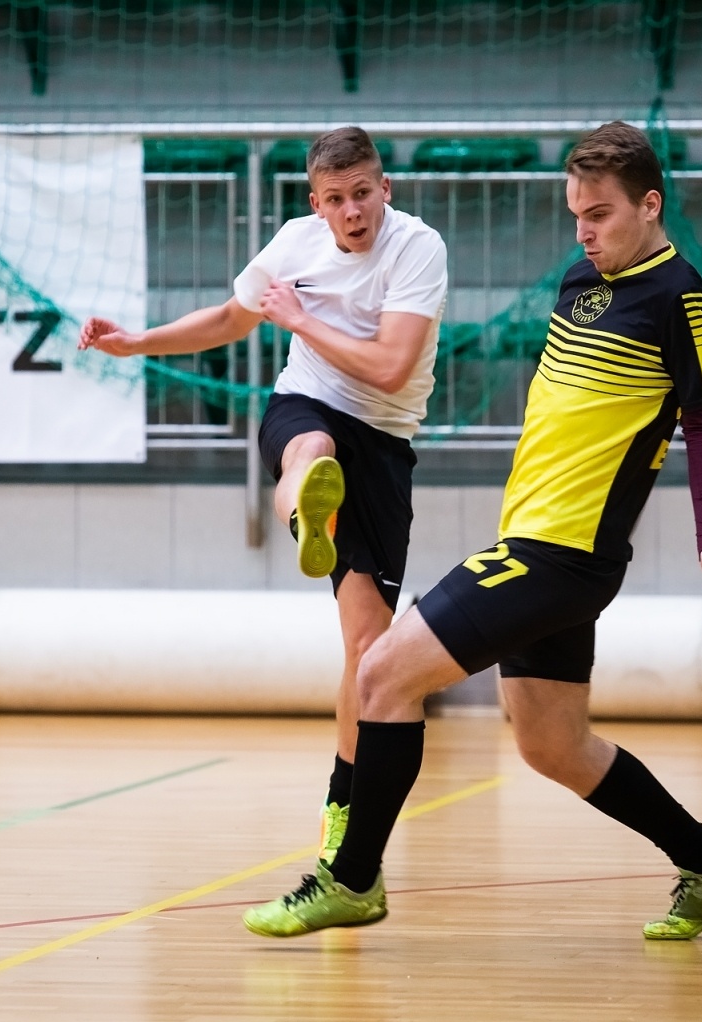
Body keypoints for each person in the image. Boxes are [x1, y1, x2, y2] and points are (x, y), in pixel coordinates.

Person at [244, 121, 702, 941]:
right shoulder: (575, 282)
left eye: (599, 214)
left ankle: (350, 880)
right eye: (576, 216)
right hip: (538, 541)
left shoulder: (681, 296)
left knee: (381, 676)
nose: (585, 232)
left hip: (560, 554)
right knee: (554, 746)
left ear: (649, 205)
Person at [80, 127, 448, 868]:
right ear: (317, 204)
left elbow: (390, 366)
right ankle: (308, 508)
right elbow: (226, 320)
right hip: (307, 404)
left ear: (386, 189)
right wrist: (135, 343)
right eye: (336, 199)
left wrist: (301, 320)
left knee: (367, 650)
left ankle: (342, 797)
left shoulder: (417, 248)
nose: (353, 211)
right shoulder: (293, 243)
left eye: (363, 193)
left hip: (381, 439)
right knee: (308, 450)